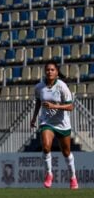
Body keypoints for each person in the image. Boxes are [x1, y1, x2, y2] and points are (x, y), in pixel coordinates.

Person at [30, 60, 78, 189]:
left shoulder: (62, 86)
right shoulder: (39, 87)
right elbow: (38, 102)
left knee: (66, 152)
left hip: (62, 124)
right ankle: (49, 174)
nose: (49, 72)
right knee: (46, 147)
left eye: (52, 70)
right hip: (47, 122)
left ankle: (73, 177)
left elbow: (71, 106)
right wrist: (34, 118)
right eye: (47, 70)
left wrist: (54, 106)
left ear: (57, 72)